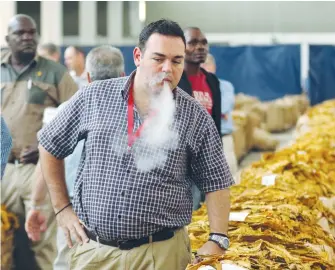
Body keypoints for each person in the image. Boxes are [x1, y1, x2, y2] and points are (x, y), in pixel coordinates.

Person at [37, 19, 234, 270]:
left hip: (161, 256)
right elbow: (49, 143)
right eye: (158, 58)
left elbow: (217, 181)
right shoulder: (95, 96)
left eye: (176, 61)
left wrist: (218, 238)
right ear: (138, 56)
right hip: (95, 253)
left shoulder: (194, 116)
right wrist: (62, 208)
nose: (167, 68)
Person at [25, 45, 125, 270]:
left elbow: (46, 158)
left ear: (87, 77)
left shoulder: (65, 110)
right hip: (123, 216)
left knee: (67, 262)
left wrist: (36, 205)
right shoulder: (136, 114)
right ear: (123, 75)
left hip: (72, 211)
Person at [1, 14, 78, 270]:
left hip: (37, 171)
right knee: (3, 240)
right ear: (7, 39)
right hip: (3, 170)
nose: (27, 38)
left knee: (43, 243)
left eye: (31, 33)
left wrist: (45, 146)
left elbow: (76, 117)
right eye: (20, 33)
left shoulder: (55, 72)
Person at [178, 27, 222, 137]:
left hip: (207, 148)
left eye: (204, 43)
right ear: (181, 47)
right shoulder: (175, 80)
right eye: (193, 43)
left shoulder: (212, 80)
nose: (200, 47)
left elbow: (216, 122)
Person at [201, 53, 238, 177]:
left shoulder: (226, 86)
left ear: (214, 67)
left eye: (207, 64)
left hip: (223, 137)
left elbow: (223, 107)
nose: (205, 68)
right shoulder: (194, 87)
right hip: (202, 141)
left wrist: (207, 108)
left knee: (230, 174)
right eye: (201, 65)